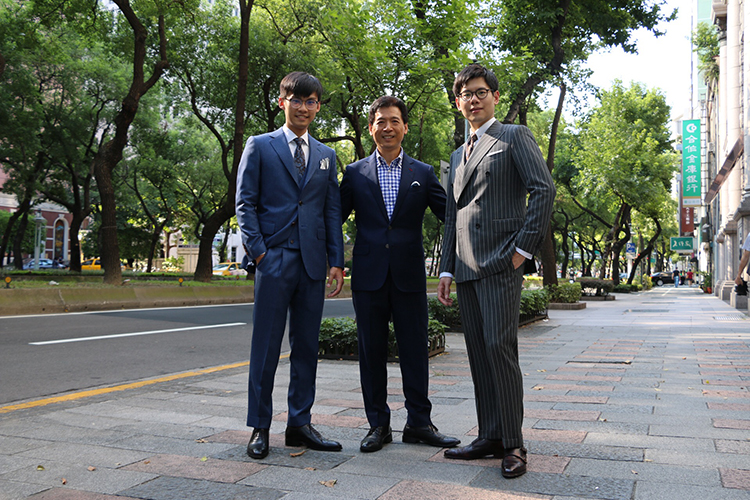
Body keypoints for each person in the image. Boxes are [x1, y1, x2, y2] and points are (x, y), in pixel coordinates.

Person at [437, 64, 555, 479]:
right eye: (465, 94)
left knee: (500, 349)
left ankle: (513, 443)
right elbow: (452, 217)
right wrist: (446, 269)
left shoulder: (514, 136)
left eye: (480, 92)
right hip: (466, 268)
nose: (473, 99)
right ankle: (489, 435)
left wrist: (523, 250)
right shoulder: (457, 154)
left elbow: (543, 189)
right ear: (457, 102)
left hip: (502, 263)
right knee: (478, 353)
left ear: (495, 97)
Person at [339, 96, 459, 453]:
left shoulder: (423, 173)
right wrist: (332, 260)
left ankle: (419, 423)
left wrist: (454, 262)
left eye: (394, 121)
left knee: (415, 351)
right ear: (371, 128)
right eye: (380, 121)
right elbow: (333, 218)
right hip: (368, 276)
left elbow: (451, 217)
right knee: (371, 352)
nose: (387, 128)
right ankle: (378, 424)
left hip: (409, 276)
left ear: (405, 127)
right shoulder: (354, 173)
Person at [235, 71, 345, 460]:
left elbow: (331, 211)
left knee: (307, 346)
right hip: (273, 258)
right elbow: (245, 202)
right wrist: (259, 252)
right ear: (282, 103)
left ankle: (299, 424)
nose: (303, 107)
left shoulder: (326, 155)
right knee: (265, 346)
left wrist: (337, 261)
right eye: (296, 100)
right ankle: (259, 427)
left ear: (318, 107)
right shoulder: (260, 145)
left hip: (313, 263)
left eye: (311, 101)